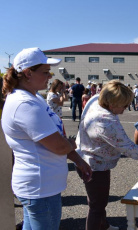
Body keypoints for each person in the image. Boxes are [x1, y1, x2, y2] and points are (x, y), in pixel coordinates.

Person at [1, 47, 92, 230]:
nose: (50, 76)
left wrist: (78, 159)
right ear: (27, 73)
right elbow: (58, 145)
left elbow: (57, 139)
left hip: (41, 186)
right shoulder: (24, 104)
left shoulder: (34, 98)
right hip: (40, 188)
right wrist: (73, 144)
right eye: (45, 72)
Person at [76, 81, 138, 230]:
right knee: (97, 206)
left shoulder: (96, 99)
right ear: (111, 104)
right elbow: (131, 150)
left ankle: (103, 225)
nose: (124, 110)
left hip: (85, 157)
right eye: (123, 106)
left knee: (97, 201)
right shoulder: (107, 122)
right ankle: (98, 225)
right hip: (95, 165)